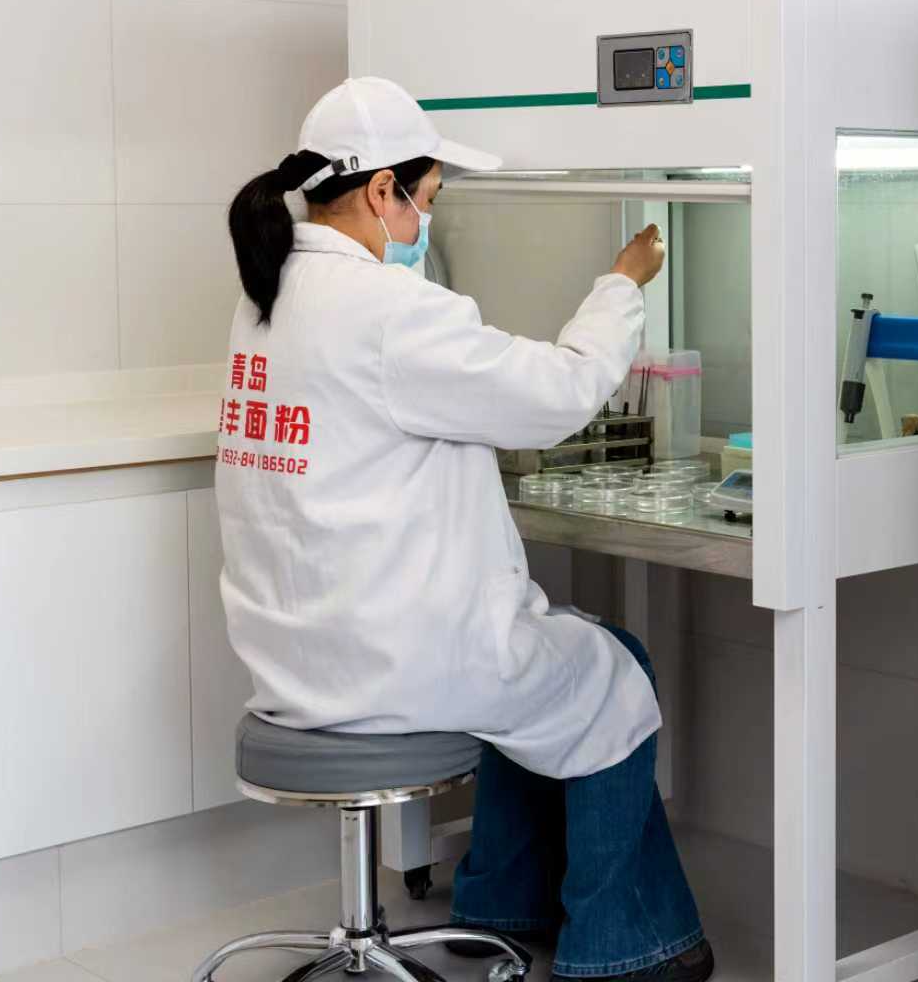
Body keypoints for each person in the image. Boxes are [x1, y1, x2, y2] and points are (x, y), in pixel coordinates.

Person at [218, 76, 714, 982]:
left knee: (546, 658)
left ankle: (501, 903)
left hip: (297, 657)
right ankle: (627, 949)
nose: (425, 223)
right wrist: (620, 284)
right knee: (613, 668)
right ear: (382, 191)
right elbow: (559, 394)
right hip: (396, 663)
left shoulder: (266, 295)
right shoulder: (389, 310)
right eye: (429, 199)